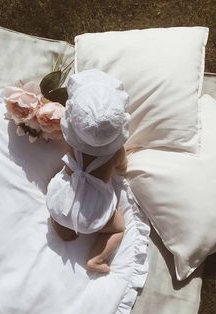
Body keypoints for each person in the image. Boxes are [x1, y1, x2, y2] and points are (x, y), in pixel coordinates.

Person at [46, 68, 131, 273]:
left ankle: (65, 231)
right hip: (93, 215)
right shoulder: (115, 153)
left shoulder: (71, 143)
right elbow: (123, 167)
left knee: (62, 211)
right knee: (119, 228)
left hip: (61, 203)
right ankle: (97, 259)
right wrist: (121, 161)